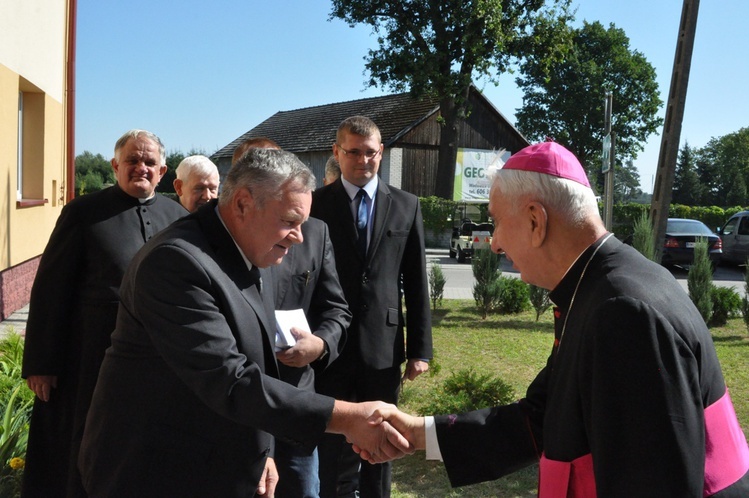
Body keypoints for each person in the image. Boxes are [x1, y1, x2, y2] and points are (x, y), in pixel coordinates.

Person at [361, 141, 749, 497]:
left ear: (535, 220)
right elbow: (540, 418)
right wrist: (419, 434)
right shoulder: (597, 284)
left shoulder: (624, 312)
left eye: (496, 220)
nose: (494, 242)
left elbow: (654, 483)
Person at [78, 147, 412, 498]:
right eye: (289, 221)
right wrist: (349, 418)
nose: (299, 237)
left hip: (213, 459)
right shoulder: (176, 263)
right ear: (241, 204)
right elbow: (232, 379)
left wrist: (260, 449)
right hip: (156, 470)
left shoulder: (243, 249)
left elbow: (257, 361)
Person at [20, 129, 188, 498]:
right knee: (83, 447)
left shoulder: (177, 216)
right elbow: (50, 291)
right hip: (89, 357)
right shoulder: (82, 213)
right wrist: (41, 363)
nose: (140, 168)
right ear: (115, 166)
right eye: (132, 160)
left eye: (149, 162)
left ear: (162, 171)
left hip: (157, 361)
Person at [310, 115, 433, 497]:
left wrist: (419, 351)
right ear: (337, 152)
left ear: (381, 153)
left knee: (381, 443)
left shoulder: (406, 205)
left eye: (371, 153)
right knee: (331, 445)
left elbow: (416, 280)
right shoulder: (315, 205)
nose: (363, 160)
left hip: (383, 347)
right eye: (354, 152)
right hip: (330, 347)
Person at [232, 138, 352, 497]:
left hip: (295, 396)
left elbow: (337, 310)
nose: (293, 234)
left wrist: (319, 344)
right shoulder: (215, 242)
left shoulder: (313, 232)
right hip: (237, 406)